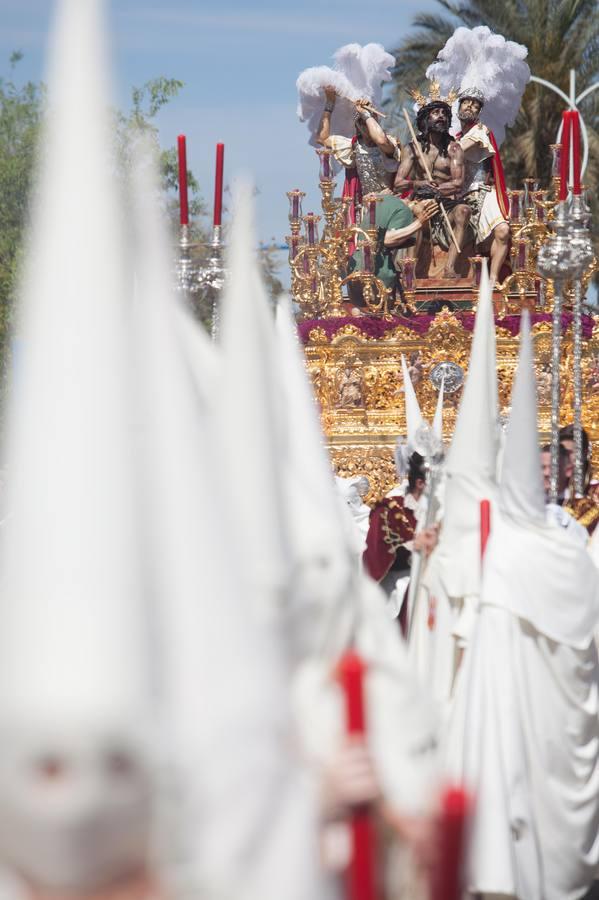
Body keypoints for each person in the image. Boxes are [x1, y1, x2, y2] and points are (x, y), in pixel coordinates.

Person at [393, 90, 471, 279]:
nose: (441, 117)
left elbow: (458, 183)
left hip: (447, 204)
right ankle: (410, 271)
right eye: (436, 113)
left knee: (464, 211)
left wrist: (438, 188)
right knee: (419, 213)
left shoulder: (454, 149)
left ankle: (450, 268)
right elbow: (398, 183)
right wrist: (420, 184)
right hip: (422, 201)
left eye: (444, 114)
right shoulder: (413, 148)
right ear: (425, 119)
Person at [455, 88, 511, 284]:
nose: (470, 106)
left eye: (475, 104)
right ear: (458, 106)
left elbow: (458, 151)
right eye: (466, 102)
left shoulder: (480, 132)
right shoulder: (454, 138)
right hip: (459, 196)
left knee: (502, 231)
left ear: (479, 112)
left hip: (483, 191)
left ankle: (494, 279)